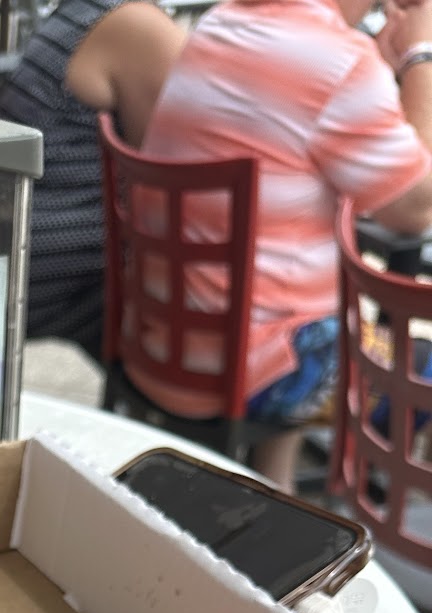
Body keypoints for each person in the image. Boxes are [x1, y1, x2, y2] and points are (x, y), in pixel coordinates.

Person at [139, 0, 432, 488]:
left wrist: (380, 71)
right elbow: (415, 207)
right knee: (424, 367)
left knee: (311, 307)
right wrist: (420, 56)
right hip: (256, 373)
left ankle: (275, 490)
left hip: (163, 343)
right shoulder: (341, 60)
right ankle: (373, 496)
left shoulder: (221, 21)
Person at [0, 1, 187, 353]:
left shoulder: (84, 12)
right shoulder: (138, 28)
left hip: (8, 251)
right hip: (40, 271)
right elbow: (183, 184)